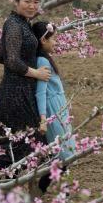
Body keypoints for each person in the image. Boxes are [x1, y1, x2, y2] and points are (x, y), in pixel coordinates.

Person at [0, 0, 51, 173]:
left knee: (14, 140)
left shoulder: (21, 24)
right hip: (15, 93)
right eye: (27, 1)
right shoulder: (14, 25)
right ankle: (0, 193)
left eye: (36, 2)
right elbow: (11, 61)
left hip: (19, 89)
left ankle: (3, 191)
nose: (31, 6)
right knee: (14, 141)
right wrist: (35, 72)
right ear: (16, 1)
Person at [32, 21, 77, 162]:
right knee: (63, 154)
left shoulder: (45, 59)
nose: (56, 42)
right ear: (43, 40)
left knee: (65, 151)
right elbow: (41, 92)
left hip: (58, 105)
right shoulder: (42, 62)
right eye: (53, 39)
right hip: (53, 109)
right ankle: (43, 183)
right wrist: (43, 119)